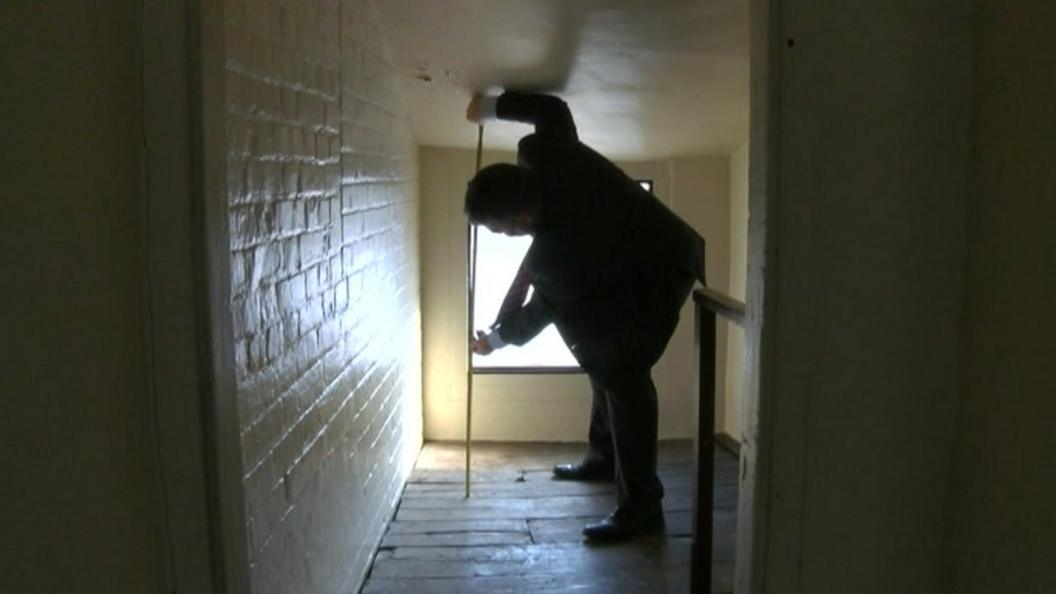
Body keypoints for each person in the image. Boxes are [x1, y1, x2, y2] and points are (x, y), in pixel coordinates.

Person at [465, 91, 707, 541]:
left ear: (519, 217)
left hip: (660, 267)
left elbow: (540, 312)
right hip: (622, 251)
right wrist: (489, 108)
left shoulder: (556, 257)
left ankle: (642, 507)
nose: (502, 236)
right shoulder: (545, 154)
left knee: (621, 370)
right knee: (599, 350)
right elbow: (550, 110)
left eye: (499, 229)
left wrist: (493, 342)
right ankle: (604, 457)